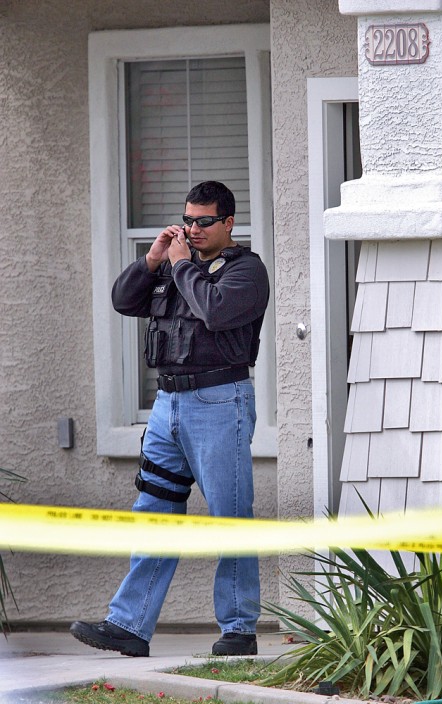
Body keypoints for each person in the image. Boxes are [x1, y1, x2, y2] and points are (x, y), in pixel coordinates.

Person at [70, 181, 269, 657]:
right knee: (154, 512)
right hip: (167, 407)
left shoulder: (246, 271)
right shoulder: (173, 267)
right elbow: (123, 300)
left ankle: (239, 629)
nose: (193, 229)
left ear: (228, 223)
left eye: (204, 221)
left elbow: (215, 311)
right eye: (188, 220)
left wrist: (179, 265)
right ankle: (130, 626)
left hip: (220, 401)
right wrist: (152, 260)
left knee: (230, 518)